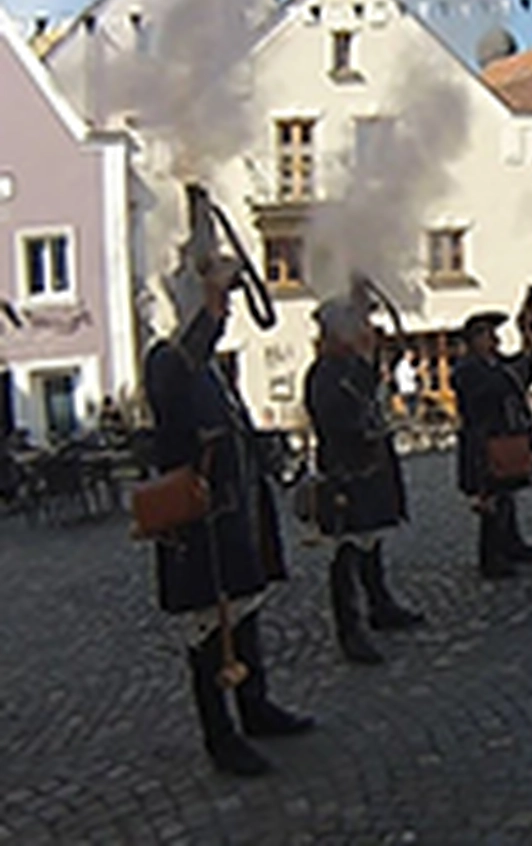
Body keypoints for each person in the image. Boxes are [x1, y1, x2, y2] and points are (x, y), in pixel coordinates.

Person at [145, 254, 312, 778]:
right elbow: (180, 372)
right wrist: (214, 301)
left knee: (245, 614)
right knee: (208, 634)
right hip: (196, 524)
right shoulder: (166, 360)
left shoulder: (211, 370)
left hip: (233, 515)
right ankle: (222, 736)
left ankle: (256, 707)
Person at [304, 296, 423, 666]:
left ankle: (380, 603)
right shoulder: (325, 372)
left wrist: (375, 354)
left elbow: (369, 385)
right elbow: (341, 416)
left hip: (366, 469)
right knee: (347, 553)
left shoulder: (350, 366)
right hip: (345, 474)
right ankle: (350, 630)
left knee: (371, 542)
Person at [452, 304, 532, 580]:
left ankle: (511, 544)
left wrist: (529, 337)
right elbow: (501, 385)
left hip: (502, 436)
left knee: (506, 495)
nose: (494, 339)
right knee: (490, 500)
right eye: (486, 334)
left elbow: (521, 374)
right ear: (473, 340)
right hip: (483, 441)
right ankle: (491, 558)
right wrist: (524, 357)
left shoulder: (494, 363)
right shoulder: (468, 369)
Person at [393, 350, 420, 420]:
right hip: (408, 389)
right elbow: (411, 375)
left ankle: (410, 418)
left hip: (404, 388)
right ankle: (411, 419)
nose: (412, 357)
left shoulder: (401, 364)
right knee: (412, 406)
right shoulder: (404, 364)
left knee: (410, 405)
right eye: (411, 356)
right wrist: (420, 369)